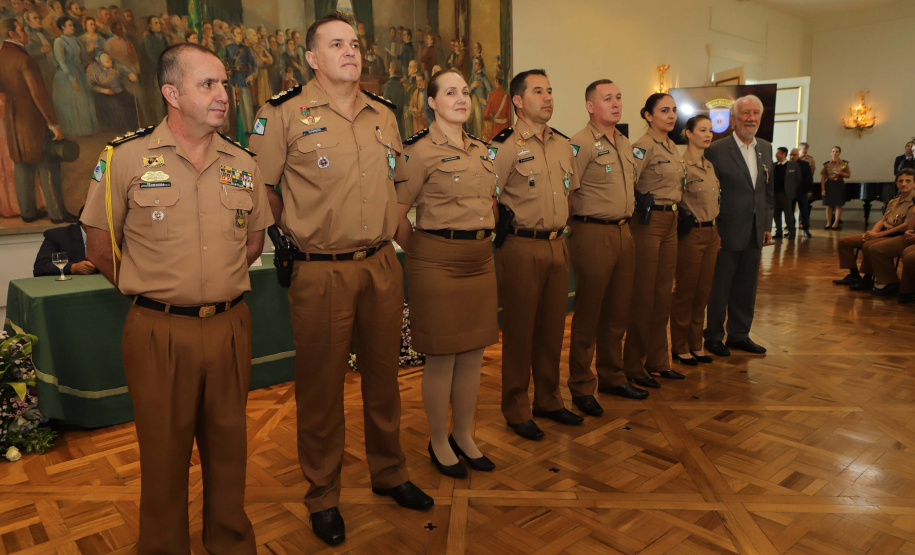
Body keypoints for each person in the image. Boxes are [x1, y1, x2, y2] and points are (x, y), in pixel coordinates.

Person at [248, 11, 433, 547]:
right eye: (336, 44)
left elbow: (398, 186)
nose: (351, 51)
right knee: (322, 389)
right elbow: (263, 189)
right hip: (320, 271)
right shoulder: (281, 114)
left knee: (385, 379)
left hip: (380, 264)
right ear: (311, 58)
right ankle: (323, 495)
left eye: (354, 43)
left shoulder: (384, 114)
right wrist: (296, 232)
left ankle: (390, 472)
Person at [81, 42, 272, 553]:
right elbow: (100, 249)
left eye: (224, 85)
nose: (223, 95)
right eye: (207, 84)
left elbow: (253, 244)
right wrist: (160, 290)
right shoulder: (124, 159)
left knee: (230, 452)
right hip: (158, 331)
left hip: (231, 325)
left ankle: (230, 542)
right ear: (171, 92)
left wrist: (210, 287)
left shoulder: (242, 163)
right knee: (164, 460)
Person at [394, 68, 498, 479]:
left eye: (465, 92)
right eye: (450, 92)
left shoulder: (482, 149)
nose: (461, 98)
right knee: (441, 357)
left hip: (479, 259)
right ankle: (439, 440)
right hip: (436, 261)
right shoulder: (417, 151)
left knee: (473, 354)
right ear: (431, 102)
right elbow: (396, 214)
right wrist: (422, 252)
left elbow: (489, 202)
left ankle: (464, 436)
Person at [491, 69, 583, 441]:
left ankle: (549, 398)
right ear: (517, 100)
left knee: (551, 329)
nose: (548, 97)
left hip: (558, 245)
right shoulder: (504, 145)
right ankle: (516, 407)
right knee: (520, 331)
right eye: (538, 91)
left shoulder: (563, 145)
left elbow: (570, 193)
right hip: (521, 247)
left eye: (550, 90)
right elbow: (489, 198)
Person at [567, 79, 647, 413]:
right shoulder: (580, 143)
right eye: (607, 98)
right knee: (589, 312)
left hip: (623, 232)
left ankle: (613, 376)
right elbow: (568, 194)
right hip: (592, 232)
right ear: (590, 106)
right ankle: (582, 385)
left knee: (618, 310)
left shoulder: (625, 143)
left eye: (618, 97)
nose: (615, 103)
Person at [703, 95, 774, 357]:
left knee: (746, 287)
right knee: (720, 286)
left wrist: (767, 224)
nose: (751, 118)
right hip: (726, 231)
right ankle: (712, 335)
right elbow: (711, 194)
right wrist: (714, 230)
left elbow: (768, 192)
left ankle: (739, 334)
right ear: (733, 118)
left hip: (756, 231)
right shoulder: (717, 150)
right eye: (745, 113)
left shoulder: (765, 148)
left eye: (755, 113)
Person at [623, 93, 685, 387]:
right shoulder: (642, 146)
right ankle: (634, 365)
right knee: (643, 296)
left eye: (673, 110)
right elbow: (627, 182)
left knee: (663, 296)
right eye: (664, 110)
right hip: (648, 222)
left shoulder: (672, 146)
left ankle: (658, 360)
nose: (671, 115)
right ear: (648, 115)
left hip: (671, 222)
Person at [0, 17, 71, 224]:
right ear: (13, 35)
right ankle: (57, 213)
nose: (26, 33)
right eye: (22, 29)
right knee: (47, 162)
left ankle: (28, 212)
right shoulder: (25, 60)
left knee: (22, 164)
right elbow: (38, 94)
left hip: (11, 123)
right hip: (34, 121)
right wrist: (53, 124)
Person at [670, 115, 719, 366]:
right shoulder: (681, 165)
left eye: (710, 130)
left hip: (712, 233)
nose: (708, 134)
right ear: (689, 133)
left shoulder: (709, 165)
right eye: (702, 130)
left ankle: (696, 343)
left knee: (703, 292)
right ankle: (679, 346)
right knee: (685, 292)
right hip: (691, 234)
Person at [833, 169, 915, 292]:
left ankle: (880, 280)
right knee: (844, 242)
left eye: (908, 181)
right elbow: (883, 220)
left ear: (914, 184)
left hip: (899, 235)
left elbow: (905, 225)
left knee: (870, 246)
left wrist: (878, 235)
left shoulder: (913, 202)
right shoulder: (894, 201)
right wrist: (871, 233)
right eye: (901, 181)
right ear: (896, 183)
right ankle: (854, 275)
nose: (904, 184)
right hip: (883, 232)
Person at [52, 16, 98, 136]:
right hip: (66, 75)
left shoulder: (76, 40)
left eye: (72, 25)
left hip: (79, 72)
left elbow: (83, 56)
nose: (73, 28)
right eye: (69, 25)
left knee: (85, 100)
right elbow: (61, 61)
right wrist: (71, 78)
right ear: (62, 27)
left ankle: (87, 131)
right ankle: (75, 132)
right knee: (76, 100)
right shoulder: (59, 41)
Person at [86, 50, 139, 131]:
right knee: (117, 106)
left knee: (132, 99)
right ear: (100, 62)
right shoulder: (93, 70)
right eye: (107, 61)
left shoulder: (115, 65)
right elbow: (91, 86)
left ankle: (134, 126)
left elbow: (123, 69)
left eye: (109, 59)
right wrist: (103, 90)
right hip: (104, 94)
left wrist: (130, 74)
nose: (109, 61)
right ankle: (121, 128)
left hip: (118, 91)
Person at [224, 26, 256, 135]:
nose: (240, 35)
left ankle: (250, 129)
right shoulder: (228, 48)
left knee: (247, 105)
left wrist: (253, 75)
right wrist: (227, 71)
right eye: (237, 33)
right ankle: (241, 130)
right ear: (233, 35)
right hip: (233, 79)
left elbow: (254, 64)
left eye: (240, 33)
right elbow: (224, 62)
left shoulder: (247, 49)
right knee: (238, 105)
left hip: (244, 78)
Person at [140, 16, 168, 124]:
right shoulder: (148, 39)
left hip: (166, 70)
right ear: (150, 26)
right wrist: (161, 67)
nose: (158, 25)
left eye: (159, 23)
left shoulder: (163, 37)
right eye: (156, 23)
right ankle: (160, 122)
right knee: (158, 98)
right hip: (156, 71)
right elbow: (151, 55)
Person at [771, 146, 803, 239]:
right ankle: (778, 232)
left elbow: (798, 179)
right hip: (775, 194)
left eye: (778, 153)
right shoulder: (773, 165)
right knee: (776, 214)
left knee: (788, 214)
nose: (776, 154)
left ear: (784, 154)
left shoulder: (793, 165)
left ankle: (791, 231)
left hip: (786, 194)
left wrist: (791, 188)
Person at [23, 9, 54, 88]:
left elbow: (52, 43)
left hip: (51, 63)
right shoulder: (26, 34)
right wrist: (40, 50)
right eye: (35, 18)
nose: (38, 20)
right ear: (28, 21)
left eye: (38, 17)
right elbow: (28, 52)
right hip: (40, 67)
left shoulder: (44, 31)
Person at [821, 146, 851, 230]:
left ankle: (836, 222)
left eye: (837, 151)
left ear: (839, 153)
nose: (835, 153)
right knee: (829, 205)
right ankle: (829, 222)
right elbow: (823, 177)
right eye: (833, 151)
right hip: (829, 183)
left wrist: (841, 172)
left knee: (838, 205)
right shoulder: (827, 164)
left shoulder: (844, 163)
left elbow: (848, 175)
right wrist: (823, 189)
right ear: (831, 153)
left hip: (839, 183)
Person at [789, 148, 813, 238]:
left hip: (802, 191)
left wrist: (809, 190)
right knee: (790, 212)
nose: (792, 156)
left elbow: (809, 178)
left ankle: (805, 229)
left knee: (804, 211)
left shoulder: (805, 164)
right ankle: (791, 230)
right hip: (790, 192)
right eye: (791, 155)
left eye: (794, 155)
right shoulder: (788, 164)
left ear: (798, 155)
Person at [482, 69, 510, 141]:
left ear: (496, 81)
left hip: (496, 129)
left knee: (495, 150)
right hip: (506, 129)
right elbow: (510, 117)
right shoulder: (507, 97)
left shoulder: (492, 96)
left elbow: (485, 115)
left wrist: (492, 117)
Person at [468, 55, 491, 138]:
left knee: (478, 119)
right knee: (468, 120)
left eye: (476, 64)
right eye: (474, 63)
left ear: (480, 66)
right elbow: (466, 92)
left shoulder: (483, 78)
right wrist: (472, 86)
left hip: (480, 106)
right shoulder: (472, 77)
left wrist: (486, 101)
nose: (474, 65)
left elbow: (490, 90)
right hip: (472, 105)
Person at [383, 59, 406, 138]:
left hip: (390, 120)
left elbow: (385, 104)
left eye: (389, 68)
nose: (389, 70)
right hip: (400, 120)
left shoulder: (388, 86)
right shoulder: (402, 86)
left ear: (392, 69)